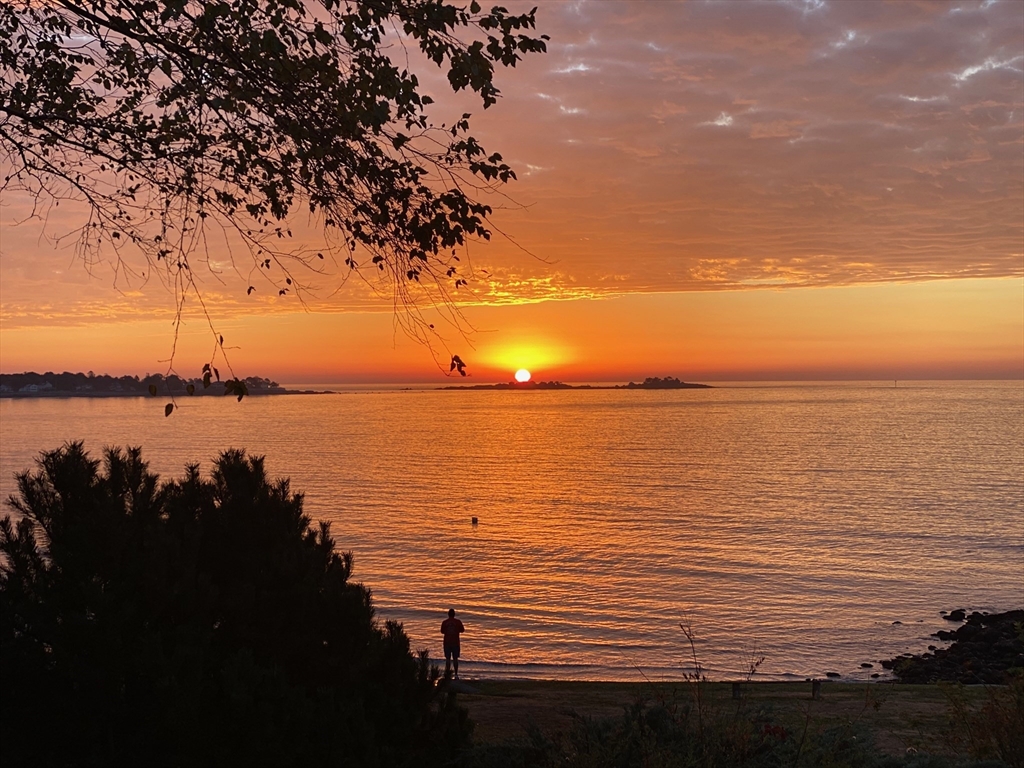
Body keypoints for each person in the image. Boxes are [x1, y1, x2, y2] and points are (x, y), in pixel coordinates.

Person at [440, 608, 465, 679]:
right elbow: (462, 630)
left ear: (448, 614)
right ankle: (456, 674)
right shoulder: (458, 622)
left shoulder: (445, 622)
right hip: (455, 643)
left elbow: (442, 631)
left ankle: (447, 674)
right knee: (455, 659)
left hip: (447, 643)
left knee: (448, 659)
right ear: (454, 614)